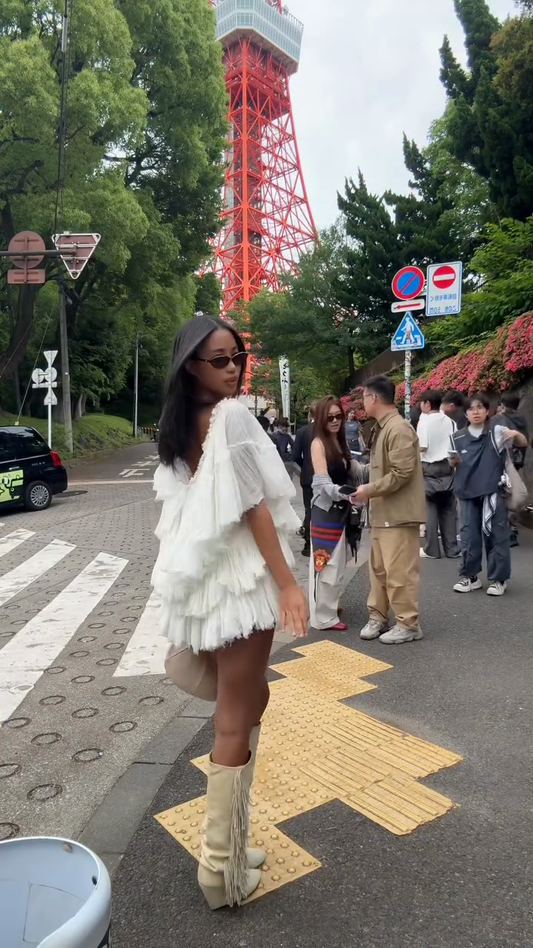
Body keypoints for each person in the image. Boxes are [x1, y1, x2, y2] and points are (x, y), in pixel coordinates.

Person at [152, 315, 308, 909]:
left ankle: (234, 849)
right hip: (242, 581)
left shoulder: (178, 422)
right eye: (220, 359)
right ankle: (219, 872)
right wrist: (288, 583)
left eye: (236, 356)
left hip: (207, 582)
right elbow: (253, 507)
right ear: (191, 364)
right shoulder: (233, 415)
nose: (234, 367)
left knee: (245, 703)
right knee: (234, 716)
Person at [352, 376, 426, 645]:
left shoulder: (398, 428)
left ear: (373, 398)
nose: (363, 402)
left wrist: (368, 490)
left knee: (400, 572)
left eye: (364, 397)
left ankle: (408, 624)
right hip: (383, 514)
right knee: (380, 571)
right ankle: (378, 616)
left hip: (398, 514)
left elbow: (402, 472)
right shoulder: (384, 427)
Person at [450, 394, 528, 596]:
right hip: (466, 493)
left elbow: (523, 442)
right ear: (465, 413)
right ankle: (470, 577)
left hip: (493, 493)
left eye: (479, 408)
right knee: (469, 537)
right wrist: (453, 462)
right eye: (471, 409)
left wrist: (515, 434)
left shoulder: (497, 432)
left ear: (487, 411)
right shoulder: (456, 437)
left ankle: (498, 579)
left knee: (497, 537)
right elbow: (451, 464)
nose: (475, 412)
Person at [309, 396, 364, 632]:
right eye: (329, 417)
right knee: (325, 563)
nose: (334, 421)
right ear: (321, 418)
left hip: (341, 509)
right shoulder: (318, 443)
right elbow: (321, 483)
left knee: (339, 562)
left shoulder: (338, 442)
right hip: (326, 511)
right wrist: (347, 494)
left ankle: (329, 605)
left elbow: (356, 469)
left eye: (338, 416)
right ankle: (322, 617)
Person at [417, 389, 460, 559]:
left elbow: (423, 446)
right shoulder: (450, 422)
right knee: (449, 509)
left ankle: (432, 550)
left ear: (427, 404)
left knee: (430, 509)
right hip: (448, 468)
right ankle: (452, 549)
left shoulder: (424, 422)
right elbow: (454, 444)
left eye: (421, 402)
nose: (420, 406)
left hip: (429, 468)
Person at [494, 392, 530, 547]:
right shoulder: (521, 419)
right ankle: (512, 530)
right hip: (518, 461)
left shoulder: (500, 419)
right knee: (513, 493)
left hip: (506, 461)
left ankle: (507, 531)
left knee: (505, 495)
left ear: (502, 405)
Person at [293, 403, 316, 558]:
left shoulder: (302, 432)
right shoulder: (327, 430)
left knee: (309, 509)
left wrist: (306, 466)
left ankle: (308, 544)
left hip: (308, 477)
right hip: (327, 476)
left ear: (309, 414)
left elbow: (295, 456)